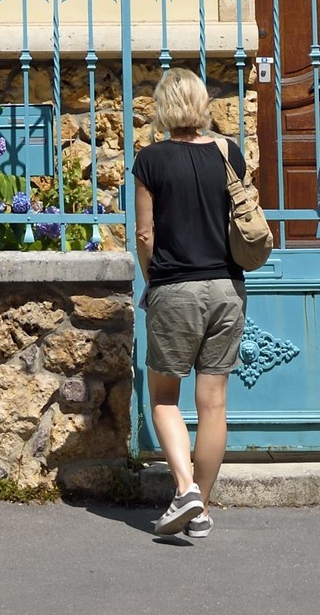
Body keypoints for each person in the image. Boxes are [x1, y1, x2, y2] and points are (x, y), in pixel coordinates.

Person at [132, 66, 248, 540]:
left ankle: (185, 490)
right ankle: (201, 510)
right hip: (227, 288)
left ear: (163, 107)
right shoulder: (229, 152)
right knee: (214, 404)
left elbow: (144, 234)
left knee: (164, 397)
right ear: (202, 104)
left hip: (175, 288)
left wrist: (152, 281)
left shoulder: (151, 160)